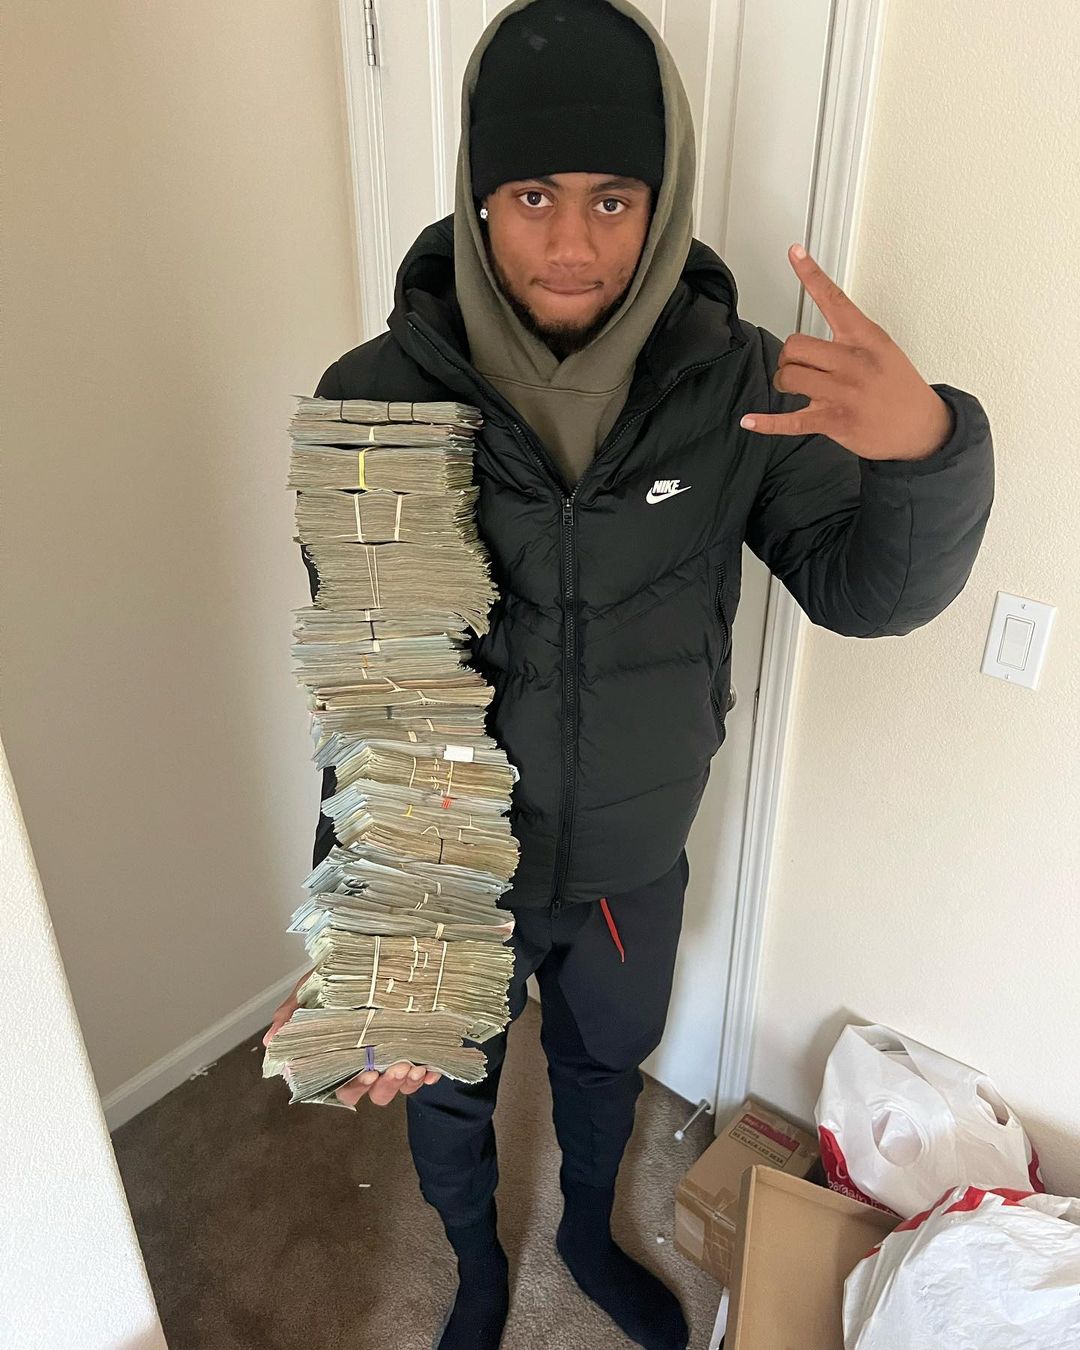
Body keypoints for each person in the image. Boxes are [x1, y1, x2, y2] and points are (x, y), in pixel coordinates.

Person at [265, 2, 994, 1346]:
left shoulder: (739, 384)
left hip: (628, 863)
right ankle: (477, 1272)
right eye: (532, 196)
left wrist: (927, 455)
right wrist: (364, 921)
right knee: (449, 1089)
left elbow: (866, 594)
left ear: (659, 208)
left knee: (605, 1065)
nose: (572, 241)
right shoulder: (377, 397)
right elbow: (371, 693)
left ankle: (586, 1235)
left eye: (613, 198)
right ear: (481, 201)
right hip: (454, 869)